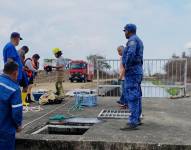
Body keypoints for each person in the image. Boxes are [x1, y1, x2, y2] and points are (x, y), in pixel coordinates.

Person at [121, 24, 143, 130]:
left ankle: (132, 121)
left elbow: (131, 54)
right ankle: (137, 118)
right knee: (137, 95)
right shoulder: (138, 40)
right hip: (137, 70)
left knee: (132, 95)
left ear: (129, 31)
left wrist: (126, 67)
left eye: (125, 31)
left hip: (132, 71)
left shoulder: (132, 40)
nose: (124, 33)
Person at [0, 62, 23, 150]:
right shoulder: (14, 88)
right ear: (15, 73)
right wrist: (18, 125)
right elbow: (17, 111)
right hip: (5, 129)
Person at [3, 32, 29, 106]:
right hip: (14, 73)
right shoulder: (10, 46)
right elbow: (10, 60)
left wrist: (21, 68)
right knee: (13, 90)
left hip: (18, 72)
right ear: (16, 38)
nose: (19, 41)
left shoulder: (11, 47)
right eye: (19, 39)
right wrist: (14, 73)